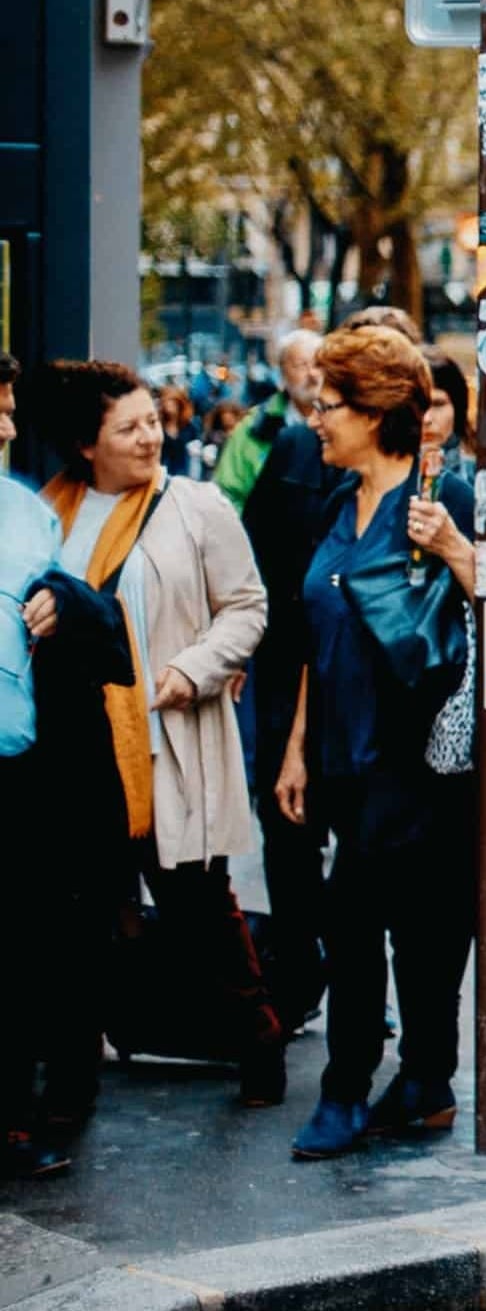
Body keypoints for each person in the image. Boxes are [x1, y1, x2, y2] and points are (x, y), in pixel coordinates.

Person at [275, 327, 486, 1160]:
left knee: (409, 933)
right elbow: (322, 637)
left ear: (374, 412)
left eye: (330, 405)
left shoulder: (447, 499)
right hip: (342, 757)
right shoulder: (332, 504)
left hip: (423, 760)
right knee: (362, 925)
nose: (316, 419)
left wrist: (457, 550)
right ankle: (404, 1084)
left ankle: (373, 1085)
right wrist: (295, 747)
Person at [29, 360, 285, 1108]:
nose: (152, 437)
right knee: (82, 924)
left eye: (152, 420)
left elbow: (248, 607)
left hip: (164, 741)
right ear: (86, 445)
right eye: (130, 428)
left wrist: (193, 669)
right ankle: (70, 1082)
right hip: (78, 754)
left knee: (201, 909)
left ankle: (258, 1037)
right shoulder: (53, 515)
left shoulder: (195, 507)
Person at [0, 357, 134, 1178]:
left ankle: (20, 1114)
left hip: (22, 772)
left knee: (20, 946)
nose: (10, 427)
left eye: (11, 409)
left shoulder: (25, 516)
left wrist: (64, 603)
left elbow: (100, 629)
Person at [238, 330, 348, 1031]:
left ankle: (348, 969)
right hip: (286, 670)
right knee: (287, 830)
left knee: (362, 847)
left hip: (352, 686)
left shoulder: (419, 487)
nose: (317, 412)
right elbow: (253, 560)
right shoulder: (290, 450)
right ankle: (303, 967)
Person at [218, 330, 323, 510]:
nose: (312, 374)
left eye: (319, 364)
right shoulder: (254, 426)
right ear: (281, 372)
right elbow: (227, 495)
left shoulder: (345, 423)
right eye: (301, 365)